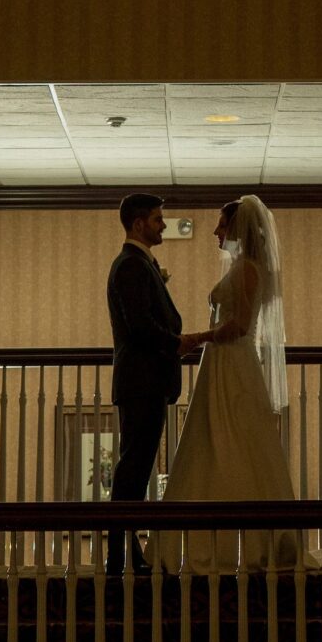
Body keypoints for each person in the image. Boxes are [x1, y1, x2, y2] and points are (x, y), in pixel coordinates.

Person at [158, 195, 296, 569]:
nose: (216, 231)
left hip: (233, 361)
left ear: (237, 227)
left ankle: (238, 545)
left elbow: (240, 325)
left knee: (234, 439)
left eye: (222, 224)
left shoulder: (248, 269)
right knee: (212, 438)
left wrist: (196, 338)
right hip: (221, 362)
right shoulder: (241, 267)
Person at [105, 191, 185, 575]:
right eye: (157, 219)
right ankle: (118, 554)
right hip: (142, 381)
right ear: (138, 224)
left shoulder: (138, 264)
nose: (163, 225)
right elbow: (140, 327)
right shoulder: (130, 266)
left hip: (146, 382)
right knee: (132, 469)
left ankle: (128, 550)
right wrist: (180, 342)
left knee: (136, 470)